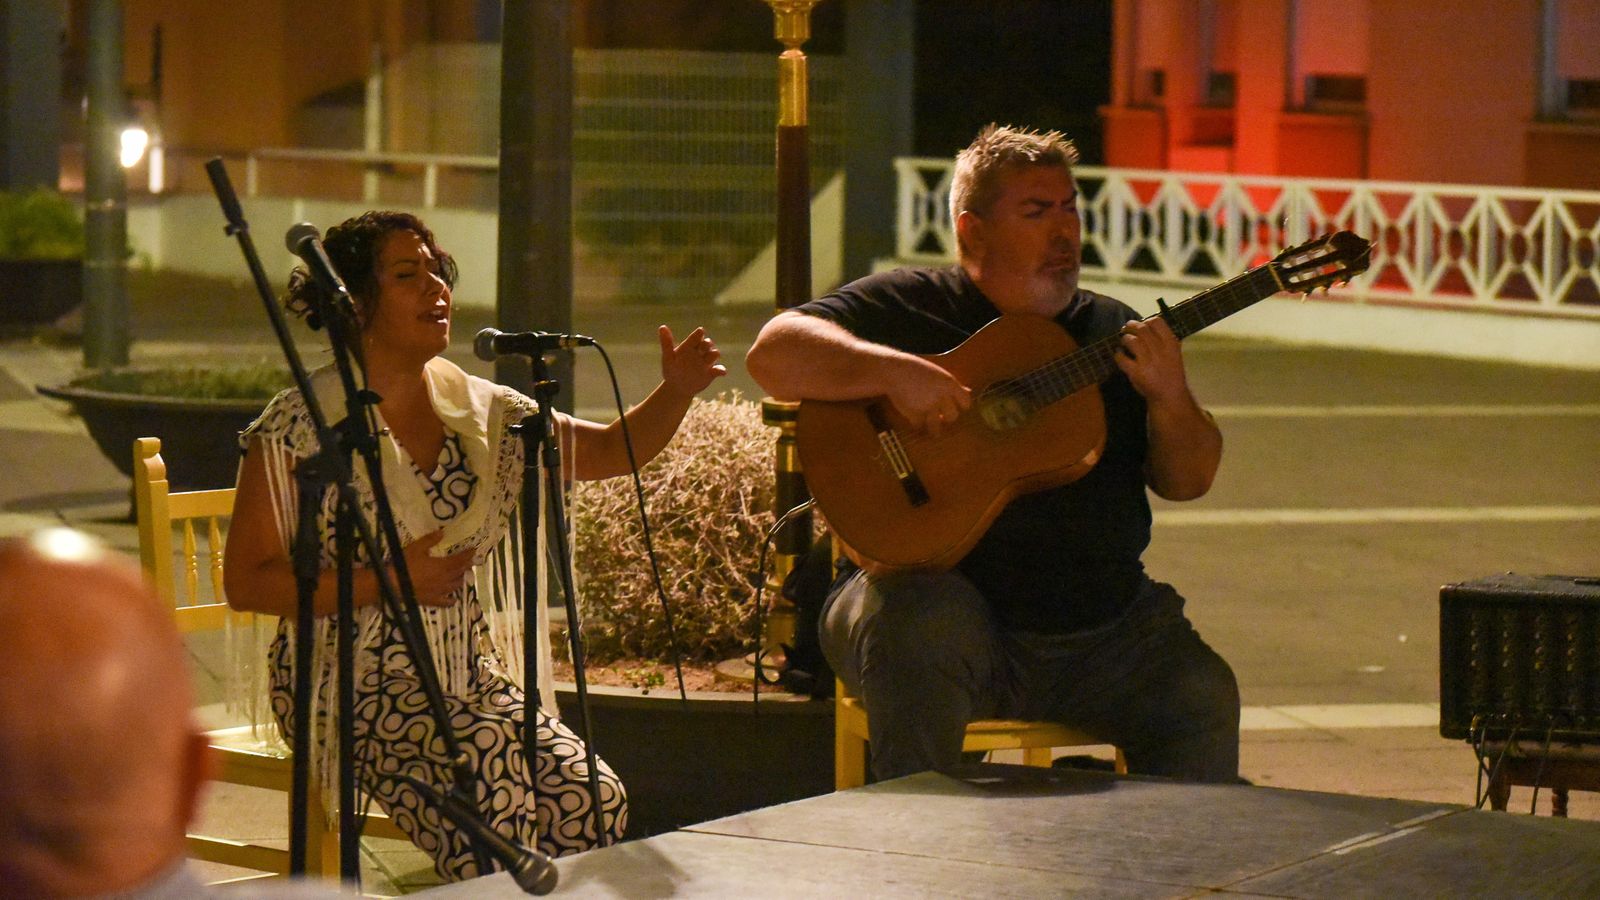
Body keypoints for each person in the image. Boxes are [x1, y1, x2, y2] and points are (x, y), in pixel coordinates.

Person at [223, 210, 726, 881]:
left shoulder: (487, 413)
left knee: (593, 799)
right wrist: (391, 581)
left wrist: (676, 392)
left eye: (438, 271)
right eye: (408, 275)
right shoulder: (298, 427)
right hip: (346, 682)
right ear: (354, 303)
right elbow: (247, 583)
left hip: (465, 677)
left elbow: (609, 451)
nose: (437, 288)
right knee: (491, 771)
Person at [745, 124, 1240, 784]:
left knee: (1201, 692)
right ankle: (917, 870)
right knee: (920, 631)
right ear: (972, 233)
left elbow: (1190, 480)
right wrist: (893, 371)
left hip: (1101, 636)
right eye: (1037, 213)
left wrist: (1171, 396)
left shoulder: (1111, 331)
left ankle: (1173, 880)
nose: (1064, 233)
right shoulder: (909, 307)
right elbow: (773, 352)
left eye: (1070, 209)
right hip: (941, 619)